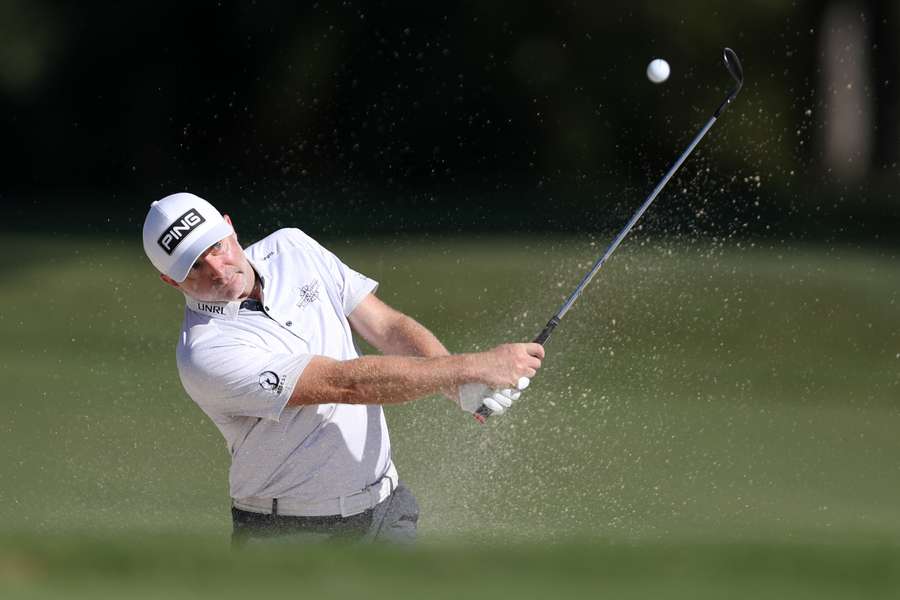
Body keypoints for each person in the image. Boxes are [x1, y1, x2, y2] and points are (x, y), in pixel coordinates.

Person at [142, 192, 544, 545]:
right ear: (168, 280)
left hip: (387, 513)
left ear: (229, 226)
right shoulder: (206, 352)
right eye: (193, 266)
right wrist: (473, 366)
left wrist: (461, 385)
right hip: (291, 535)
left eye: (216, 247)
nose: (216, 268)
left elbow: (384, 326)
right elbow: (347, 384)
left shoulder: (292, 248)